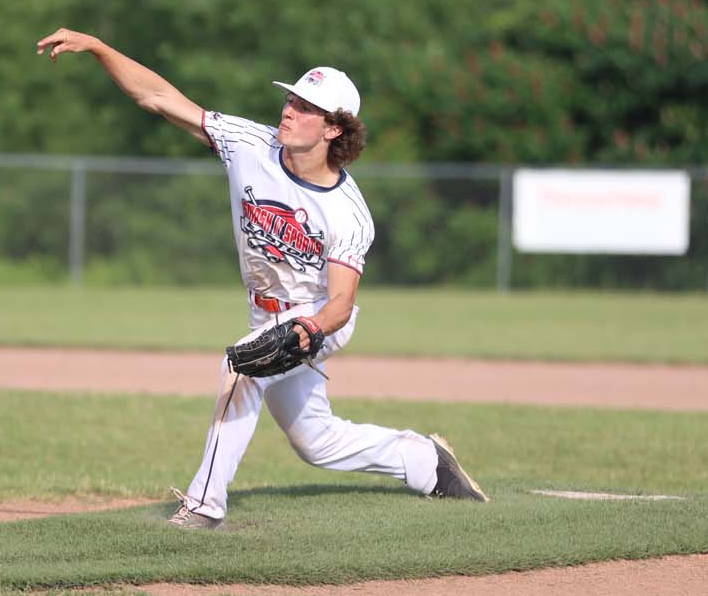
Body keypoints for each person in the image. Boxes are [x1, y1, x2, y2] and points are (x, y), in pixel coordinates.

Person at [38, 28, 488, 529]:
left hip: (319, 317)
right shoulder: (249, 144)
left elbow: (341, 304)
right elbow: (158, 97)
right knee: (316, 441)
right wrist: (99, 47)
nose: (290, 110)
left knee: (241, 370)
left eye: (306, 107)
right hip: (265, 311)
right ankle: (424, 462)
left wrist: (308, 332)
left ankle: (204, 507)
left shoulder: (347, 213)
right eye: (292, 99)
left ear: (334, 129)